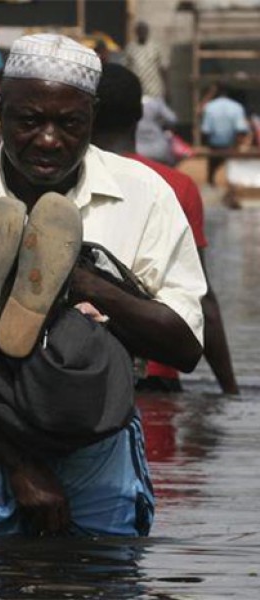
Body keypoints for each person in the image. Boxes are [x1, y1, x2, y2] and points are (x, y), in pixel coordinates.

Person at [0, 33, 206, 538]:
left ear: (91, 117)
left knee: (94, 582)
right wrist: (19, 465)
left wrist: (83, 283)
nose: (49, 139)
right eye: (30, 121)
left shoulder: (146, 196)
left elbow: (184, 348)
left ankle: (63, 286)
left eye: (69, 123)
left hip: (100, 437)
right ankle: (4, 313)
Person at [93, 63, 239, 395]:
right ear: (140, 114)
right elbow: (202, 298)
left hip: (78, 369)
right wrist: (230, 390)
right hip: (157, 372)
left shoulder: (63, 180)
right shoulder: (177, 185)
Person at [201, 82, 250, 188]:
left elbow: (206, 130)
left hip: (214, 145)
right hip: (231, 145)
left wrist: (207, 144)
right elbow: (241, 129)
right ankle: (232, 187)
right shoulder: (237, 106)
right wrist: (238, 145)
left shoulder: (210, 106)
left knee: (212, 169)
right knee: (233, 171)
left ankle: (211, 182)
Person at [124, 21, 166, 100]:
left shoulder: (155, 47)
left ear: (147, 32)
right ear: (136, 32)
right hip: (137, 91)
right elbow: (126, 70)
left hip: (154, 92)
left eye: (144, 30)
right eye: (140, 31)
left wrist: (167, 89)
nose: (142, 33)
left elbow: (163, 68)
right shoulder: (131, 48)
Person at [136, 95, 178, 165]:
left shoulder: (131, 103)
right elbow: (172, 119)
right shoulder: (156, 103)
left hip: (137, 150)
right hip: (159, 150)